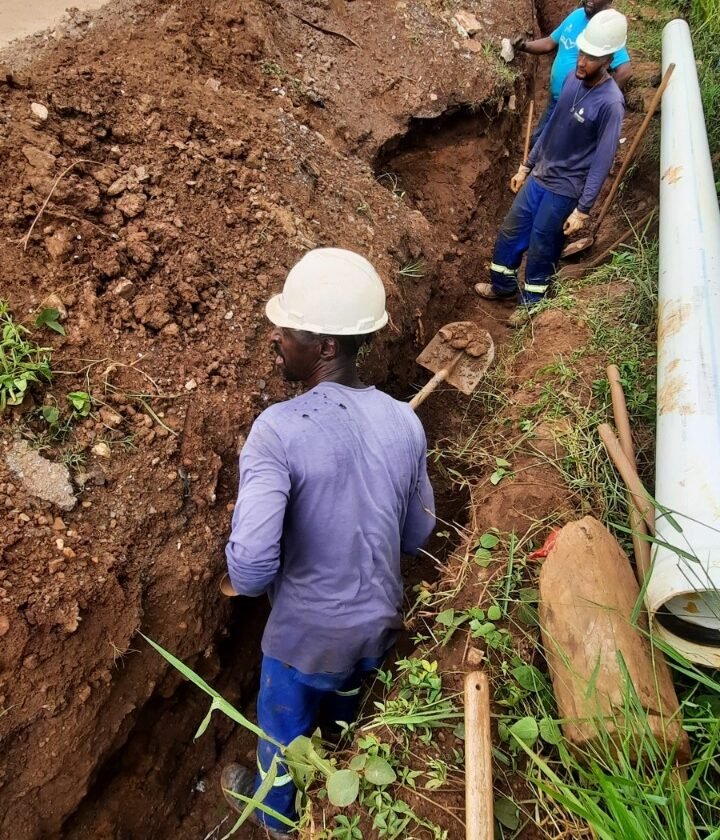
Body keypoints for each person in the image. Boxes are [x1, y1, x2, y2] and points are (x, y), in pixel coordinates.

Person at [219, 248, 436, 837]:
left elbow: (255, 568)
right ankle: (341, 778)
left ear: (327, 347)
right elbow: (417, 533)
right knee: (345, 714)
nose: (277, 340)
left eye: (287, 332)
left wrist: (236, 558)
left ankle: (279, 822)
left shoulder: (278, 431)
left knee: (281, 740)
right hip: (377, 630)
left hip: (304, 641)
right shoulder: (405, 422)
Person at [475, 9, 627, 327]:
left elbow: (602, 160)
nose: (582, 61)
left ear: (609, 58)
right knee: (511, 232)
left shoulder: (610, 103)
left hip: (566, 188)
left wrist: (583, 210)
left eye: (592, 57)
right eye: (582, 52)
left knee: (543, 245)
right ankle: (502, 287)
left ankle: (532, 305)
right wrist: (526, 165)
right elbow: (551, 127)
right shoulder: (573, 78)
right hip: (541, 175)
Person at [513, 0, 632, 146]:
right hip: (556, 99)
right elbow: (550, 42)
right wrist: (525, 46)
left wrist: (594, 99)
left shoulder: (605, 31)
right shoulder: (576, 15)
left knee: (557, 148)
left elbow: (625, 71)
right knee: (538, 141)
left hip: (575, 108)